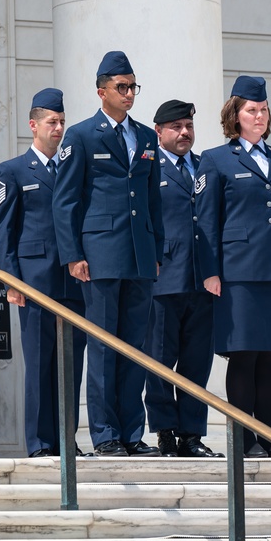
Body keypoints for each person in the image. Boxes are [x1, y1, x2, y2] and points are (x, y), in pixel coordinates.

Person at [53, 51, 163, 457]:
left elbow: (153, 200)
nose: (130, 93)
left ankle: (133, 433)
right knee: (101, 346)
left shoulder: (147, 137)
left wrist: (157, 251)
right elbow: (65, 202)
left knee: (134, 345)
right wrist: (73, 254)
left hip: (140, 256)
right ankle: (105, 434)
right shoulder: (81, 135)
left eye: (133, 86)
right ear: (102, 91)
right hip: (98, 255)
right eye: (122, 87)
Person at [195, 75, 271, 459]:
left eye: (263, 110)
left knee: (270, 357)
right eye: (251, 110)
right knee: (244, 355)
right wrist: (210, 271)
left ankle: (267, 438)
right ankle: (245, 441)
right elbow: (206, 221)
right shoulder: (216, 159)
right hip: (238, 274)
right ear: (236, 115)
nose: (258, 116)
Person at [0, 87, 87, 458]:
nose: (59, 128)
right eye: (52, 122)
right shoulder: (13, 171)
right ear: (34, 125)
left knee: (72, 365)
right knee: (40, 364)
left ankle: (66, 440)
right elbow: (3, 230)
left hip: (73, 282)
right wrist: (12, 280)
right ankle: (40, 443)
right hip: (34, 283)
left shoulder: (72, 168)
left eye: (62, 122)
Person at [145, 99, 221, 458]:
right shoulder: (148, 166)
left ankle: (191, 434)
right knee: (159, 360)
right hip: (164, 278)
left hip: (202, 279)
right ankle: (164, 432)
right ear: (158, 131)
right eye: (175, 127)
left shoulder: (206, 165)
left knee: (196, 361)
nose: (184, 132)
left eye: (188, 126)